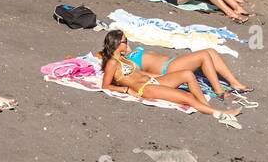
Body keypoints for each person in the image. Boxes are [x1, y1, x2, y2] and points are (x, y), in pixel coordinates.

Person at [99, 30, 241, 120]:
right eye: (125, 41)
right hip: (145, 88)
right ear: (117, 44)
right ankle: (219, 113)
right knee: (186, 97)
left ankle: (204, 105)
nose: (127, 43)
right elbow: (105, 85)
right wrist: (126, 90)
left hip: (152, 80)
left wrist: (159, 77)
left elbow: (140, 73)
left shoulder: (124, 59)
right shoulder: (112, 63)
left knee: (187, 74)